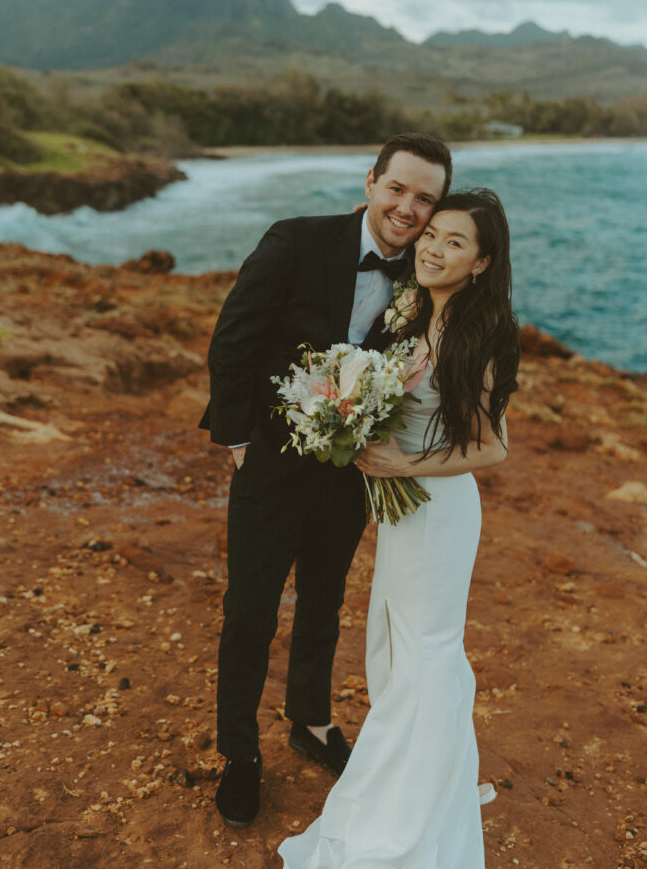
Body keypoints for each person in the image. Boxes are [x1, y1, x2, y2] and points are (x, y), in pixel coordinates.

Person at [199, 133, 452, 827]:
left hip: (352, 470)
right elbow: (234, 338)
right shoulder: (295, 240)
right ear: (371, 182)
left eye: (424, 199)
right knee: (250, 606)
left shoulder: (426, 281)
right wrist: (239, 439)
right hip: (270, 461)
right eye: (397, 188)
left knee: (324, 596)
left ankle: (308, 720)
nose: (407, 208)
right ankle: (239, 753)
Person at [278, 188, 520, 868]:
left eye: (454, 243)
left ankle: (411, 808)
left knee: (427, 653)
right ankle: (429, 775)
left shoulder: (477, 328)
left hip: (438, 513)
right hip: (402, 511)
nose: (433, 249)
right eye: (431, 234)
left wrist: (401, 459)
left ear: (480, 262)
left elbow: (493, 445)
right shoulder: (415, 313)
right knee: (391, 646)